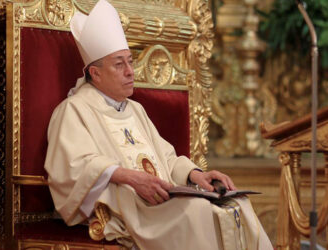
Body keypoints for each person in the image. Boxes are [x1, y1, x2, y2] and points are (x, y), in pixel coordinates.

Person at [44, 0, 273, 249]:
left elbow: (166, 159)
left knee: (236, 205)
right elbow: (74, 170)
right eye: (119, 64)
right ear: (95, 73)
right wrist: (132, 178)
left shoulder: (135, 109)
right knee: (196, 211)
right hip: (128, 211)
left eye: (130, 61)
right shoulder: (74, 110)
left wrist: (197, 175)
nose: (130, 71)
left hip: (159, 201)